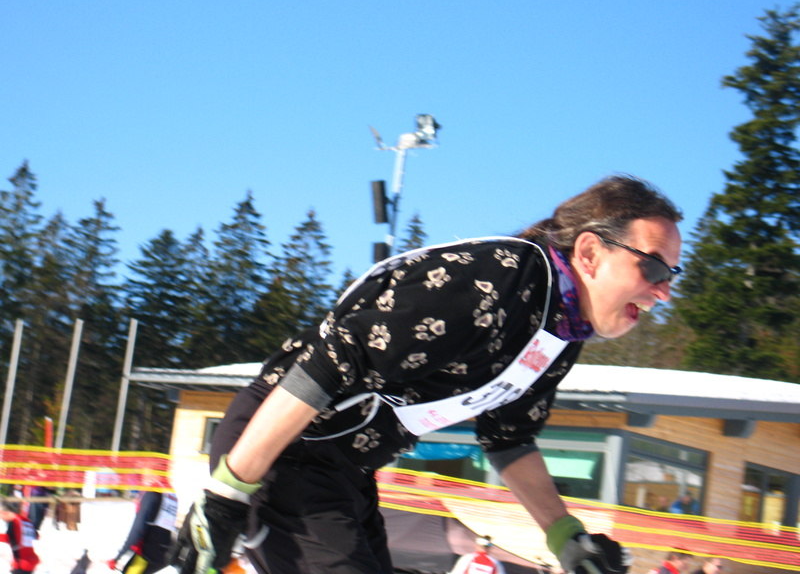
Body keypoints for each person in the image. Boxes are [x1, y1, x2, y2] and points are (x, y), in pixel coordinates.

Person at [170, 175, 683, 574]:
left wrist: (567, 540)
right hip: (282, 447)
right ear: (590, 253)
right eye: (654, 268)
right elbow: (337, 356)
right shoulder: (501, 278)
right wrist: (226, 495)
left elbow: (509, 439)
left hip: (343, 470)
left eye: (672, 276)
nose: (664, 291)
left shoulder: (560, 333)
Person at [108, 491, 178, 574]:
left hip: (145, 555)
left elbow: (137, 530)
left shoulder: (151, 495)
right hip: (163, 553)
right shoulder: (170, 495)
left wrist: (118, 556)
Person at [0, 499, 39, 574]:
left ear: (5, 512)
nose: (1, 517)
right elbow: (36, 535)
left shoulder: (14, 522)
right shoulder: (26, 520)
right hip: (31, 560)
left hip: (22, 563)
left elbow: (8, 538)